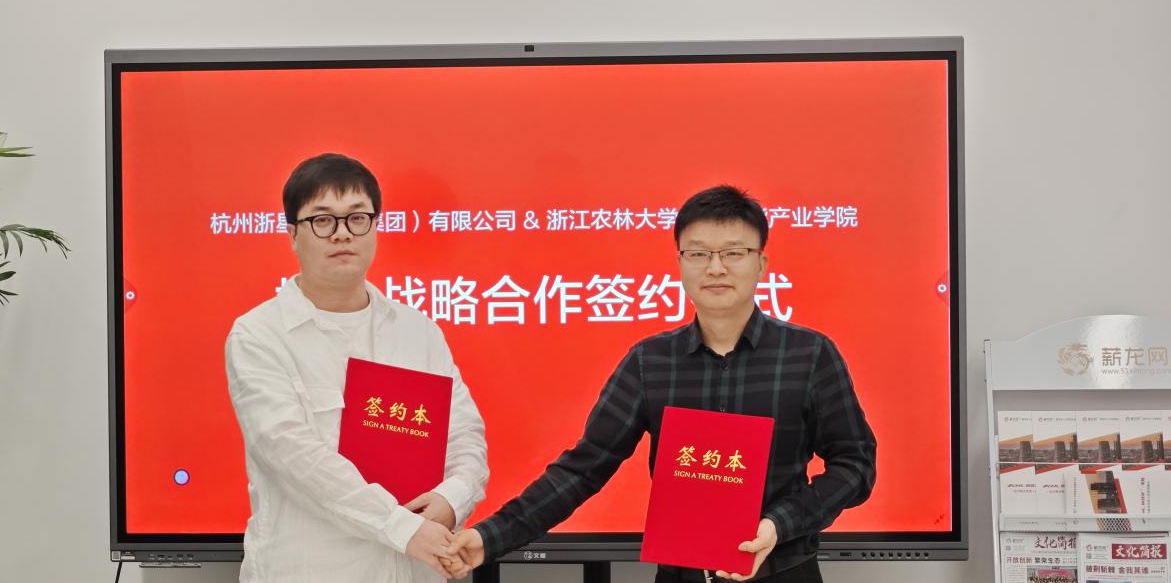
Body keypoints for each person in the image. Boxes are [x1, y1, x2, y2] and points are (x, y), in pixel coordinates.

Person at [443, 185, 875, 583]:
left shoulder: (809, 354)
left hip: (785, 572)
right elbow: (582, 469)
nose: (716, 268)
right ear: (681, 263)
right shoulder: (650, 362)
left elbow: (855, 465)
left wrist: (779, 524)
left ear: (761, 263)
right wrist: (489, 537)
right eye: (698, 253)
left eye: (734, 252)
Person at [225, 153, 488, 582]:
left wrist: (452, 499)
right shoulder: (259, 335)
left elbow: (465, 435)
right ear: (292, 234)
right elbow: (293, 456)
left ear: (375, 227)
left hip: (417, 571)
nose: (342, 233)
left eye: (357, 218)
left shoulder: (418, 332)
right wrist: (402, 528)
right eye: (322, 220)